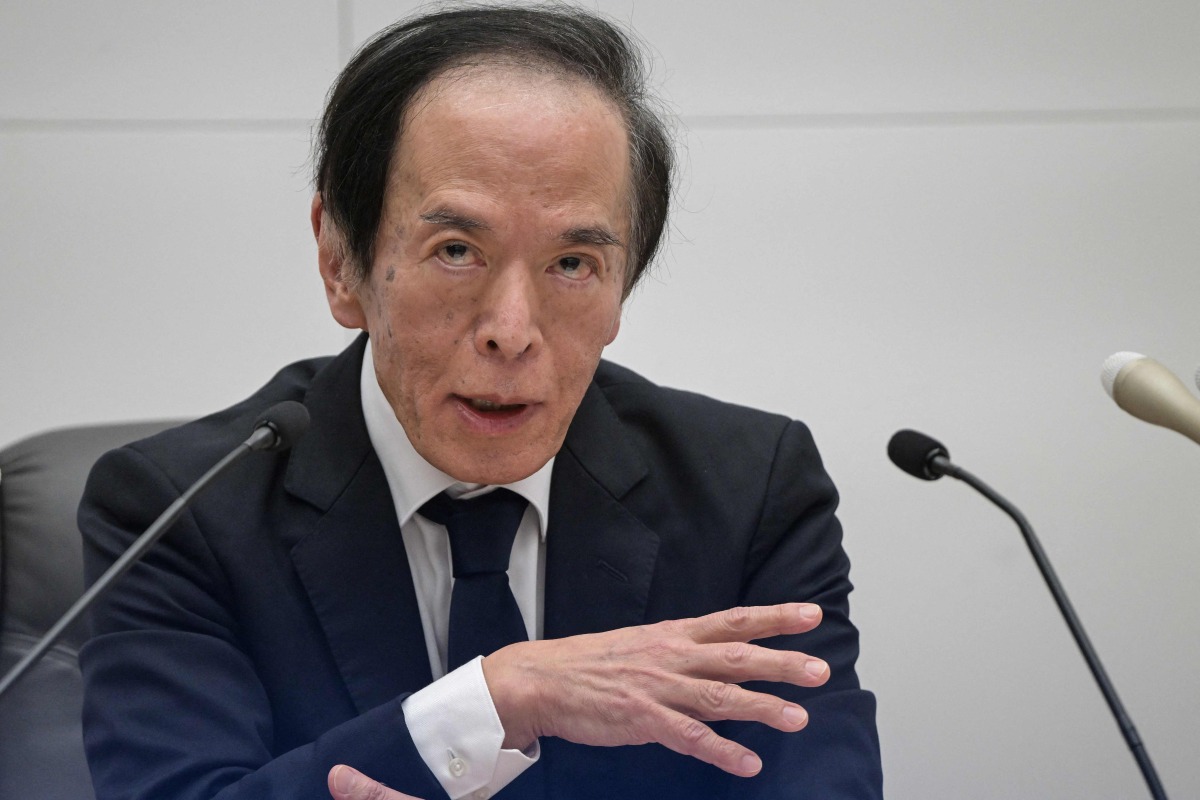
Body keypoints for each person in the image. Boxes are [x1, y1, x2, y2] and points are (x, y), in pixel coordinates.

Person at [78, 6, 883, 800]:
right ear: (339, 259)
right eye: (456, 250)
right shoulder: (178, 513)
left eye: (573, 262)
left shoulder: (750, 493)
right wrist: (498, 699)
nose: (512, 332)